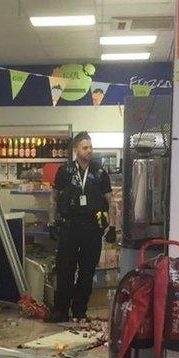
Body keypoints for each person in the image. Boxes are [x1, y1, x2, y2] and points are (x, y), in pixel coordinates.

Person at [50, 132, 115, 322]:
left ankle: (80, 310)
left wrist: (111, 226)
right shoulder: (65, 171)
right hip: (69, 227)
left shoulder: (100, 172)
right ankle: (61, 310)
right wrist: (51, 222)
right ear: (76, 149)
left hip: (92, 228)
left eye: (91, 147)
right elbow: (53, 197)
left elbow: (111, 202)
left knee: (87, 271)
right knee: (65, 269)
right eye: (85, 147)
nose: (89, 151)